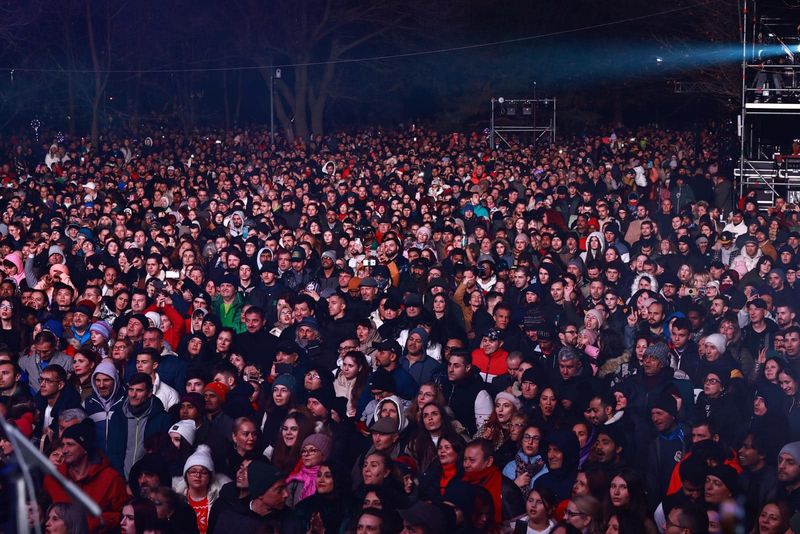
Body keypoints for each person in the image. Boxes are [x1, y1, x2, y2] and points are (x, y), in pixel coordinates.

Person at [43, 419, 128, 534]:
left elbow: (123, 516)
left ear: (85, 449)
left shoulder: (111, 479)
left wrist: (99, 521)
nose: (64, 450)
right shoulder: (53, 478)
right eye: (63, 445)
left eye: (70, 445)